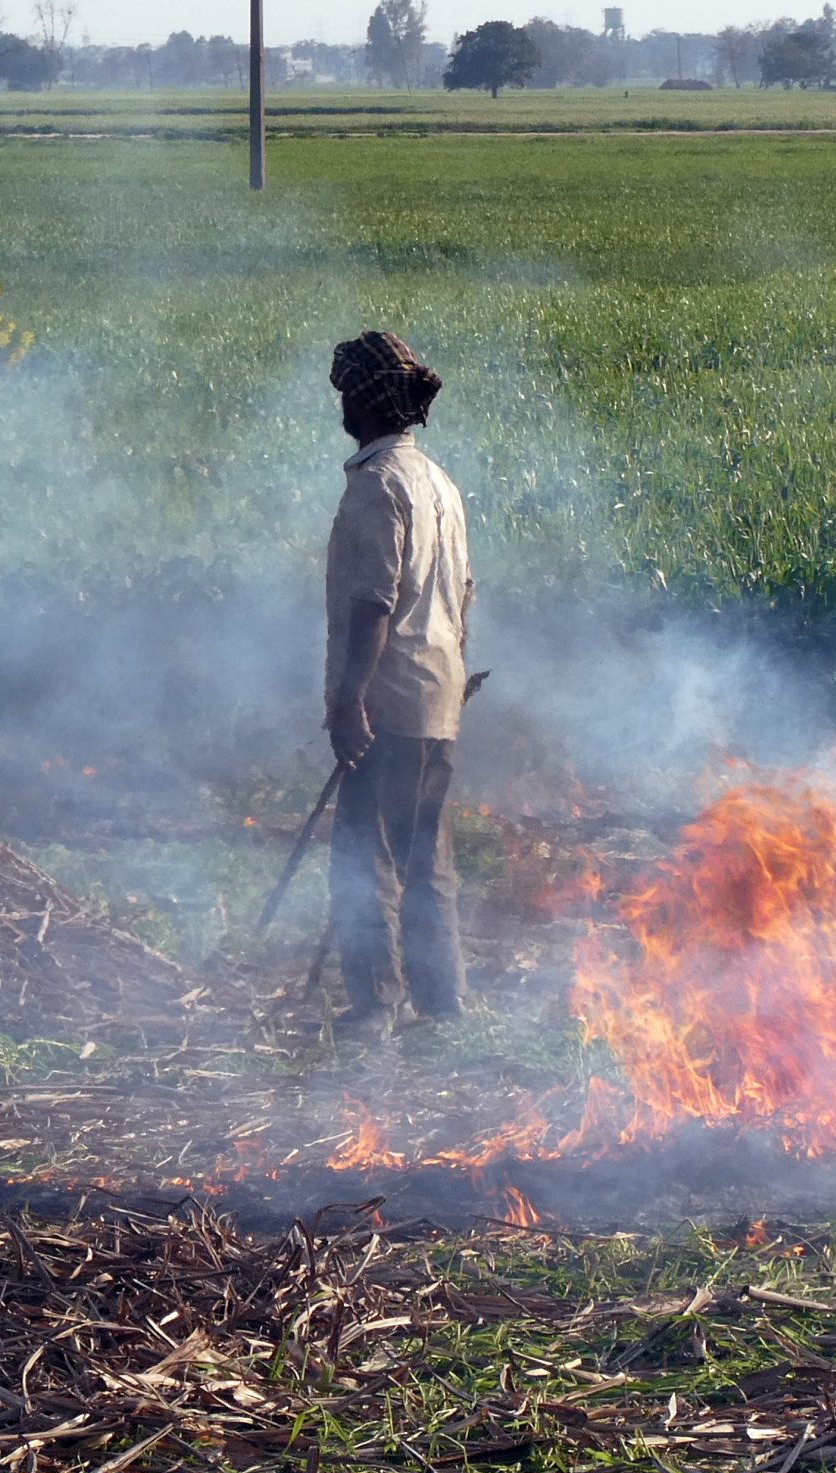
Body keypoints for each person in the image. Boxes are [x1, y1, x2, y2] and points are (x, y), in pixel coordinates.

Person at [322, 332, 472, 1039]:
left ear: (366, 400)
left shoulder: (379, 486)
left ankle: (377, 1009)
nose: (342, 405)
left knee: (366, 858)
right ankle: (443, 1007)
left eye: (347, 392)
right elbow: (462, 594)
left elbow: (373, 604)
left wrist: (350, 699)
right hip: (439, 697)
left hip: (390, 700)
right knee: (425, 857)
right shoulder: (439, 483)